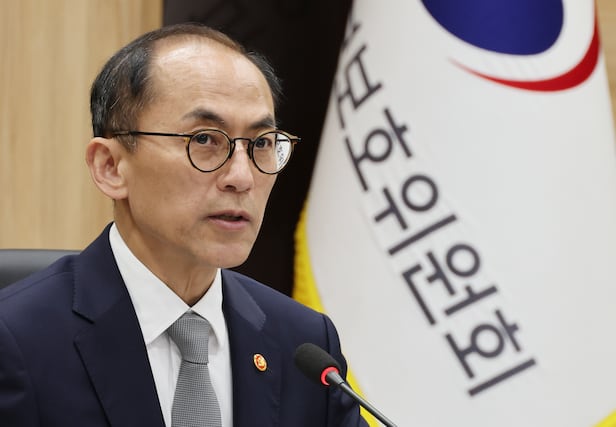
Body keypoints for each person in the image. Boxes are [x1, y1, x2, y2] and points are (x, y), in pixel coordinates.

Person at [0, 23, 367, 426]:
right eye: (205, 139)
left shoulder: (304, 345)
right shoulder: (16, 342)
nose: (242, 177)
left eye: (261, 143)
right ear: (110, 167)